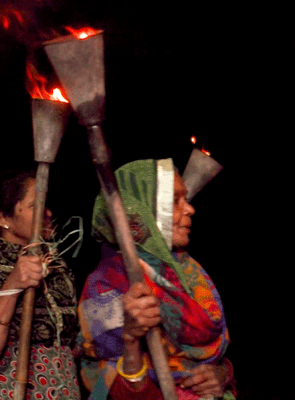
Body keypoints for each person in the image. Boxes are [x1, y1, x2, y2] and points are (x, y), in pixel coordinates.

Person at [78, 159, 235, 400]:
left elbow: (217, 357)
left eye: (186, 199)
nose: (190, 209)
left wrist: (222, 374)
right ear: (143, 211)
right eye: (174, 201)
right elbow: (106, 384)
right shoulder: (105, 283)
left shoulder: (188, 271)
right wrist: (130, 339)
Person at [0, 169, 80, 400]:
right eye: (35, 206)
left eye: (46, 204)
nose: (48, 213)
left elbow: (71, 344)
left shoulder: (57, 266)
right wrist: (12, 285)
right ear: (2, 218)